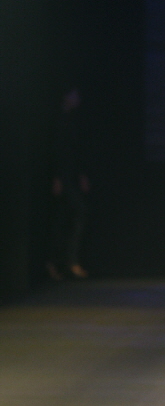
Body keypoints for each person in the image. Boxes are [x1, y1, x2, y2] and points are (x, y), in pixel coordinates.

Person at [46, 88, 90, 281]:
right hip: (63, 174)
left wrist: (81, 175)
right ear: (65, 97)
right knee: (77, 212)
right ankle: (70, 261)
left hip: (71, 174)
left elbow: (76, 150)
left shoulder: (73, 120)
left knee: (63, 218)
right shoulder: (59, 119)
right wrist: (57, 177)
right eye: (74, 95)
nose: (77, 99)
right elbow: (56, 149)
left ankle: (56, 262)